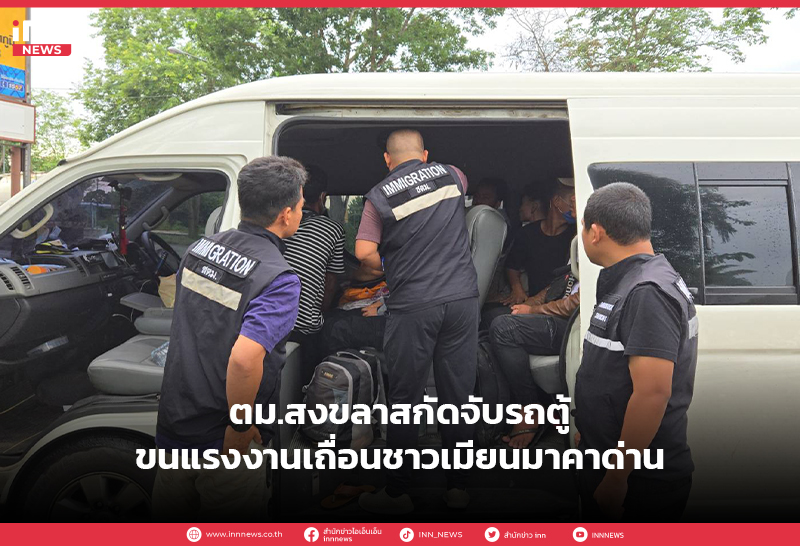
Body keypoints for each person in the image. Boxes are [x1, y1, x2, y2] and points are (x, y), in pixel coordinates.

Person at [152, 156, 307, 521]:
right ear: (286, 214)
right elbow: (244, 358)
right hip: (222, 441)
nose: (302, 212)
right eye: (301, 206)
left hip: (176, 424)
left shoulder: (199, 250)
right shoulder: (278, 278)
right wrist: (239, 427)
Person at [355, 129, 479, 514]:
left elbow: (364, 252)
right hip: (461, 300)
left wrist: (393, 265)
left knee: (405, 398)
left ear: (387, 160)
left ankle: (397, 493)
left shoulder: (378, 196)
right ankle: (459, 489)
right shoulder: (454, 174)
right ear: (424, 154)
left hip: (414, 305)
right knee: (458, 395)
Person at [574, 182, 698, 522]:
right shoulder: (634, 280)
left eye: (582, 229)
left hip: (640, 482)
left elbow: (652, 393)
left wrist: (617, 477)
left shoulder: (646, 292)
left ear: (595, 232)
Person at [490, 267, 580, 448]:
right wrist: (524, 306)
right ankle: (502, 405)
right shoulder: (575, 259)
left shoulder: (596, 260)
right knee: (491, 316)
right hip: (557, 316)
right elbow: (554, 288)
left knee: (504, 328)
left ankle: (530, 408)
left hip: (574, 323)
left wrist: (533, 311)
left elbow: (578, 301)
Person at [481, 178, 576, 330]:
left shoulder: (575, 238)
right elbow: (512, 265)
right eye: (571, 202)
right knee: (490, 316)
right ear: (557, 202)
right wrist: (517, 289)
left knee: (502, 324)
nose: (574, 207)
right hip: (534, 299)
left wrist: (531, 307)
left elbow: (561, 284)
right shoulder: (528, 233)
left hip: (557, 305)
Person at [283, 165, 345, 361]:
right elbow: (331, 281)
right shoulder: (333, 229)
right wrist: (322, 312)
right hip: (305, 328)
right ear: (322, 196)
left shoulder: (279, 223)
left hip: (271, 321)